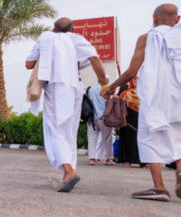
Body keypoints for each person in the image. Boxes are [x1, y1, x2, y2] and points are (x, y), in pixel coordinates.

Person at [101, 4, 181, 201]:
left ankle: (159, 188)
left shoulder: (147, 38)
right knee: (178, 137)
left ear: (154, 19)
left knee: (149, 137)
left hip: (155, 96)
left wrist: (111, 87)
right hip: (178, 96)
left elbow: (132, 72)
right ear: (177, 20)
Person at [26, 17, 108, 193]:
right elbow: (94, 59)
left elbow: (29, 64)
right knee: (69, 131)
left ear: (54, 29)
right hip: (74, 88)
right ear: (72, 29)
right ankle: (68, 172)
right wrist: (104, 83)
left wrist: (46, 55)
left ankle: (69, 171)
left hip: (54, 88)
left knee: (56, 130)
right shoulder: (78, 40)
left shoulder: (46, 38)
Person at [86, 85, 114, 165]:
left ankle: (92, 159)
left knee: (92, 138)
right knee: (108, 139)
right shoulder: (108, 89)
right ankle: (108, 159)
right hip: (104, 117)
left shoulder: (91, 90)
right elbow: (110, 103)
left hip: (91, 117)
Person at [117, 78, 142, 167]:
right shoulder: (125, 93)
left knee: (142, 141)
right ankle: (128, 161)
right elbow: (120, 106)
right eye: (136, 82)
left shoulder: (144, 92)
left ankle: (142, 162)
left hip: (142, 119)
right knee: (129, 140)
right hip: (128, 120)